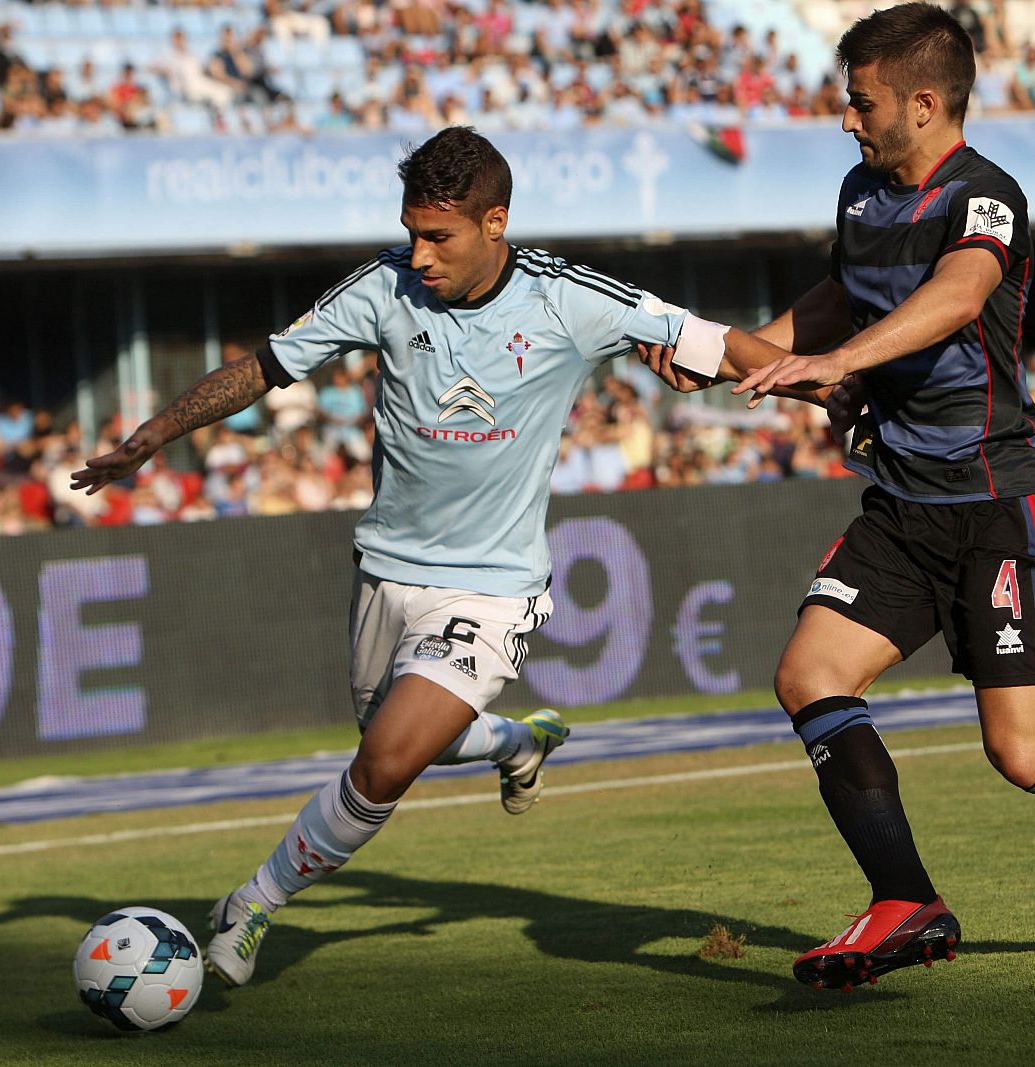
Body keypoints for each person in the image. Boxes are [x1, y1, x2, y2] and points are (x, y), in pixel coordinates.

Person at [71, 126, 809, 988]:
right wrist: (156, 433)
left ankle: (252, 903)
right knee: (386, 740)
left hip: (493, 588)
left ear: (495, 222)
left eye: (439, 236)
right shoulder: (382, 286)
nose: (418, 254)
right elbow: (266, 367)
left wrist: (830, 386)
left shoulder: (569, 299)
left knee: (384, 759)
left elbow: (715, 343)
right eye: (411, 231)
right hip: (386, 570)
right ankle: (514, 740)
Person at [646, 3, 1035, 989]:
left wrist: (834, 364)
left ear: (923, 103)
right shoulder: (860, 191)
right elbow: (843, 298)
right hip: (900, 507)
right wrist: (733, 352)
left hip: (997, 508)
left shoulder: (984, 196)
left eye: (862, 102)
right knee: (808, 676)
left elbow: (959, 294)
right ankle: (906, 900)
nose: (847, 119)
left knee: (1023, 753)